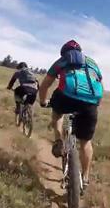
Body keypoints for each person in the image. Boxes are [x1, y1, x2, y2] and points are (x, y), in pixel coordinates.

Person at [39, 40, 103, 189]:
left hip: (66, 97)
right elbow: (99, 83)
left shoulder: (62, 60)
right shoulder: (93, 63)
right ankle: (85, 178)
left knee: (57, 113)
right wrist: (95, 104)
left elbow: (45, 84)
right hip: (90, 103)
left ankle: (58, 141)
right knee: (86, 142)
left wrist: (43, 102)